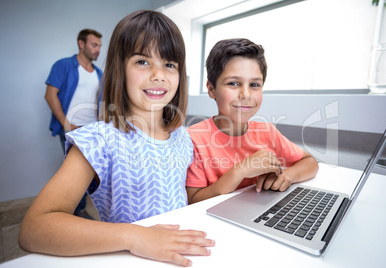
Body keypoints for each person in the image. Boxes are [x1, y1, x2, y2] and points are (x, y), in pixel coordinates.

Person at [19, 10, 214, 267]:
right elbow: (34, 229)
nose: (159, 74)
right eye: (143, 61)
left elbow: (187, 199)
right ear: (119, 68)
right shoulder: (99, 140)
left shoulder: (182, 138)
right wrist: (136, 236)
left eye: (169, 64)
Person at [186, 38, 319, 204]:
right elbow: (193, 200)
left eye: (254, 84)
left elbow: (310, 162)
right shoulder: (193, 139)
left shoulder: (267, 132)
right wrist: (241, 170)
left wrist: (288, 176)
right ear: (212, 89)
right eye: (233, 83)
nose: (246, 94)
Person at [44, 28, 103, 219]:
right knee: (76, 172)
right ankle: (76, 212)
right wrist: (66, 123)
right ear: (81, 44)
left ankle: (85, 208)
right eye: (94, 45)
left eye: (100, 46)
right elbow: (50, 95)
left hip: (94, 128)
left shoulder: (99, 73)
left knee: (94, 170)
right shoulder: (64, 65)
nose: (98, 50)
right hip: (72, 128)